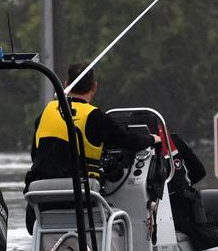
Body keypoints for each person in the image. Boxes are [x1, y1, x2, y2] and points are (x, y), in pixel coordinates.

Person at [28, 62, 160, 200]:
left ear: (66, 84)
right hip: (80, 200)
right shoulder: (95, 117)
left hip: (41, 198)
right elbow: (127, 141)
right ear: (94, 87)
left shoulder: (46, 112)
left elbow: (35, 155)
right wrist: (152, 139)